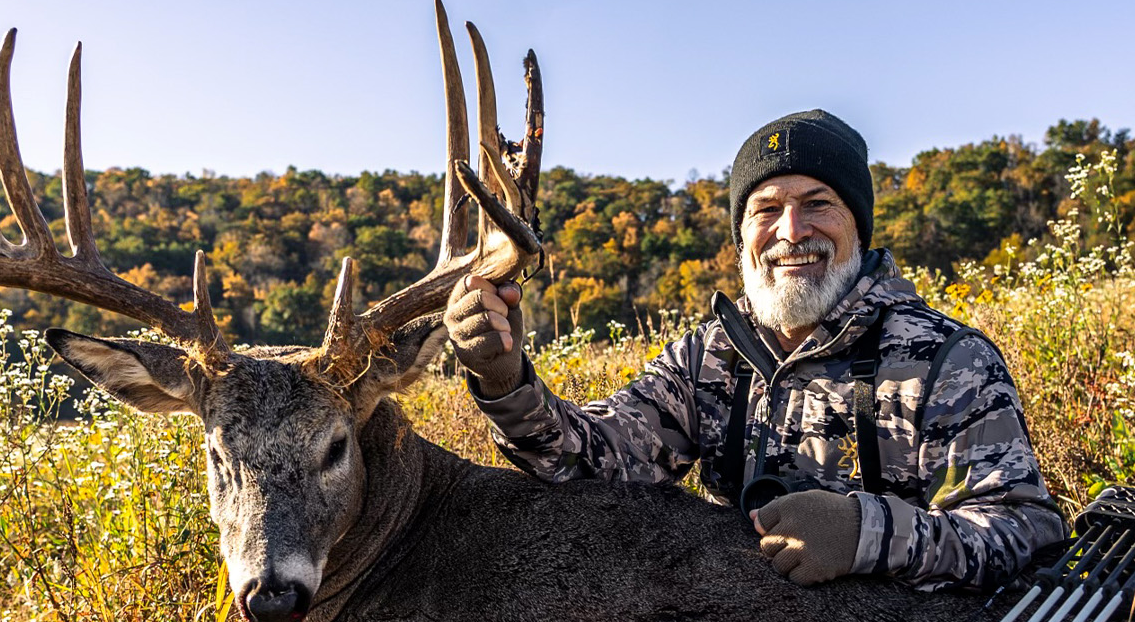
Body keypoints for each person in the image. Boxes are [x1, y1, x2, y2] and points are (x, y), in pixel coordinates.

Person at [445, 109, 1065, 591]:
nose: (791, 232)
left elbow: (1023, 535)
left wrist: (866, 535)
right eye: (767, 209)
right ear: (742, 236)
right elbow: (598, 466)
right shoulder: (711, 355)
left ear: (858, 224)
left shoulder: (945, 361)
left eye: (818, 204)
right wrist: (505, 384)